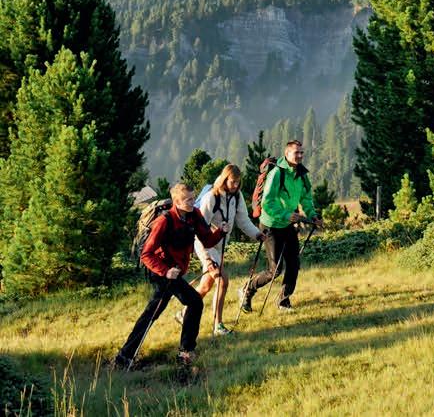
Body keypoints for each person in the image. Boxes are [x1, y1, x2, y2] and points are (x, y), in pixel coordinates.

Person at [113, 183, 223, 371]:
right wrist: (165, 271)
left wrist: (221, 231)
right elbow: (146, 254)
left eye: (193, 198)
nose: (192, 202)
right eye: (187, 200)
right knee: (194, 302)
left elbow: (207, 240)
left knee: (153, 312)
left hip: (174, 273)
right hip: (161, 272)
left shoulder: (194, 215)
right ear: (176, 202)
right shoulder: (164, 221)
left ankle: (125, 357)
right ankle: (185, 352)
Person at [240, 139, 321, 313]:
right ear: (287, 154)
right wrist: (286, 214)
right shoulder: (277, 173)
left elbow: (306, 198)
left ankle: (283, 302)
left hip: (288, 224)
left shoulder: (301, 174)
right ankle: (248, 289)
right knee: (275, 270)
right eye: (296, 152)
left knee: (294, 264)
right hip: (271, 225)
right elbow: (267, 203)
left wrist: (312, 215)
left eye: (301, 152)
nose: (300, 156)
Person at [183, 163, 263, 336]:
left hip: (220, 246)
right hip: (206, 245)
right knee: (222, 280)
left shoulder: (237, 196)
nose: (235, 185)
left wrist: (257, 234)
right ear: (224, 179)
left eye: (238, 182)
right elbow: (199, 229)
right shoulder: (211, 197)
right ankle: (217, 325)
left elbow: (243, 221)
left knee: (206, 285)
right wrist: (207, 258)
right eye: (232, 181)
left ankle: (184, 313)